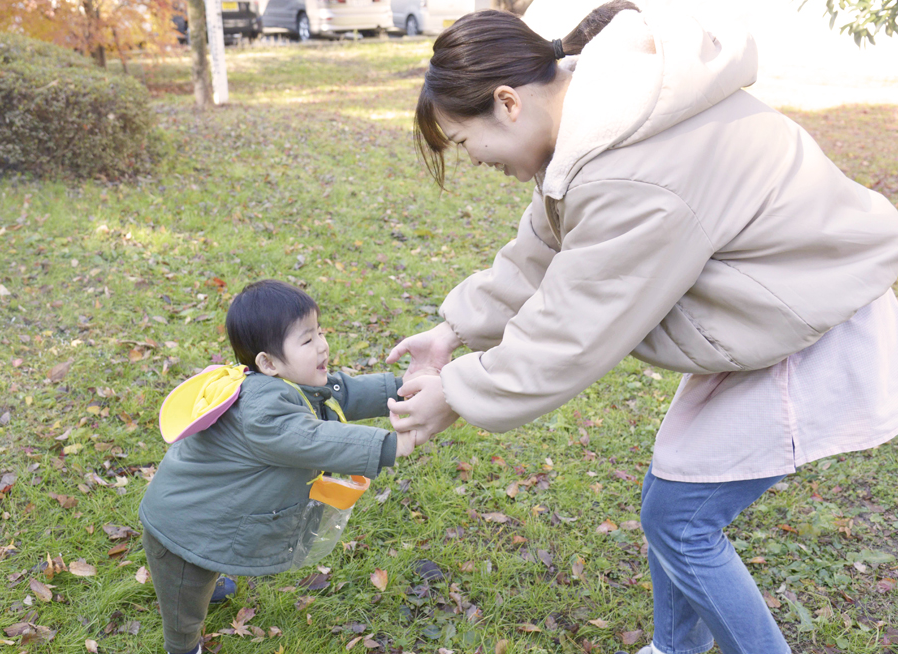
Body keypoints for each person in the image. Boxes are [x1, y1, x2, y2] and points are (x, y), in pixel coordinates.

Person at [385, 3, 898, 653]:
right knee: (673, 501)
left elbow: (576, 327)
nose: (473, 160)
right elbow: (543, 252)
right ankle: (677, 646)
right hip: (770, 313)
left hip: (815, 322)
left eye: (462, 143)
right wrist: (453, 330)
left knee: (681, 519)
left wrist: (457, 393)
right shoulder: (598, 116)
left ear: (508, 103)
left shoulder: (630, 165)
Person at [139, 280, 420, 654]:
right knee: (184, 603)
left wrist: (403, 388)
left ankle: (209, 574)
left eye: (319, 331)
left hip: (211, 513)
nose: (322, 345)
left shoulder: (290, 382)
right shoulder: (264, 413)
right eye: (306, 340)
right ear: (267, 363)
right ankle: (184, 646)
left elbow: (343, 394)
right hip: (181, 527)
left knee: (206, 564)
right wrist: (391, 444)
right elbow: (312, 439)